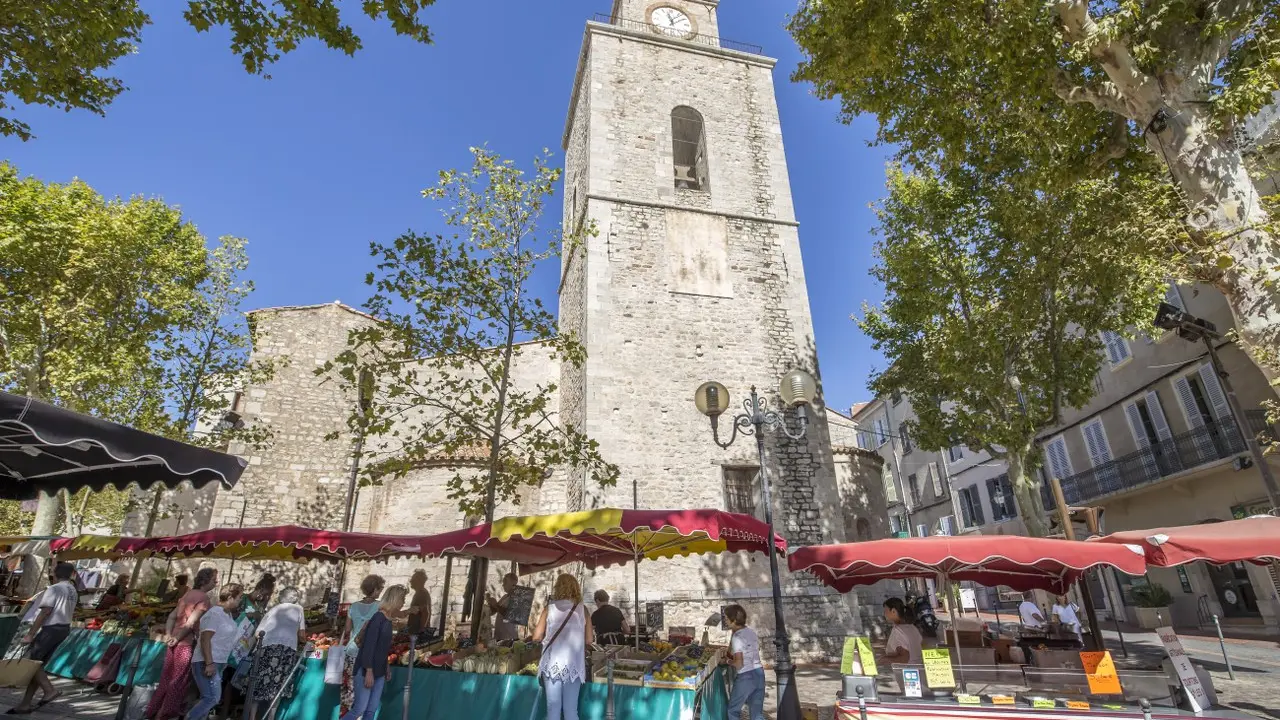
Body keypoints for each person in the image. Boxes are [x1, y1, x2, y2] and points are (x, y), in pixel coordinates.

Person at [146, 567, 217, 720]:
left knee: (166, 678)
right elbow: (191, 622)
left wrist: (169, 634)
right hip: (185, 643)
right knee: (178, 680)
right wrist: (177, 638)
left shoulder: (187, 594)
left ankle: (153, 710)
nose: (216, 583)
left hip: (174, 642)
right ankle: (165, 714)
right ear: (205, 581)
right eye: (214, 580)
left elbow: (172, 616)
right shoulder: (203, 598)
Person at [7, 563, 78, 714]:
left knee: (32, 662)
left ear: (54, 573)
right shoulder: (72, 589)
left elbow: (45, 611)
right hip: (63, 628)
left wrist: (30, 634)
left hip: (51, 628)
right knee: (37, 666)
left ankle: (49, 690)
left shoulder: (54, 589)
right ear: (72, 574)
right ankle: (25, 704)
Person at [531, 574, 593, 720]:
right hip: (574, 665)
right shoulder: (583, 610)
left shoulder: (549, 608)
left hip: (552, 663)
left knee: (553, 709)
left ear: (557, 588)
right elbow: (589, 639)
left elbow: (536, 636)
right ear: (576, 588)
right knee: (571, 710)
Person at [340, 585, 406, 720]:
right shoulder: (378, 618)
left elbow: (382, 647)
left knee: (371, 710)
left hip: (379, 670)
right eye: (402, 599)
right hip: (366, 669)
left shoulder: (388, 620)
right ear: (395, 599)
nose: (403, 602)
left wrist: (386, 666)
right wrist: (368, 670)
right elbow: (369, 646)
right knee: (359, 709)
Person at [236, 586, 307, 711]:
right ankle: (271, 716)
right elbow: (302, 635)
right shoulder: (298, 608)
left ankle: (252, 717)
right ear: (295, 599)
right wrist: (307, 643)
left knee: (258, 684)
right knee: (278, 685)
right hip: (286, 650)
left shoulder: (273, 609)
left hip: (265, 648)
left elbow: (258, 633)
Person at [188, 584, 243, 720]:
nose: (240, 601)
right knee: (212, 698)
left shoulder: (227, 615)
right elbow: (205, 639)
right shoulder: (214, 614)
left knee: (207, 698)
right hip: (207, 661)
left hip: (219, 661)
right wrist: (209, 663)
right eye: (239, 598)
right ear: (230, 597)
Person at [339, 575, 385, 716]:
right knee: (364, 701)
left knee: (350, 694)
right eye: (380, 588)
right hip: (367, 653)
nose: (381, 591)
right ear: (375, 589)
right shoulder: (379, 606)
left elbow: (347, 630)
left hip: (351, 652)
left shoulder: (353, 606)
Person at [722, 604, 765, 720]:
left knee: (733, 710)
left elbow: (739, 664)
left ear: (734, 620)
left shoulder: (738, 637)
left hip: (746, 676)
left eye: (726, 618)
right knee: (757, 714)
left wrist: (727, 661)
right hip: (759, 673)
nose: (725, 621)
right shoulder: (751, 632)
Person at [882, 598, 924, 665]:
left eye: (885, 611)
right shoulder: (912, 627)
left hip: (906, 672)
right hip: (918, 668)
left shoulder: (898, 631)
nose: (884, 614)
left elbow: (904, 658)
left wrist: (884, 660)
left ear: (893, 611)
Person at [485, 573, 520, 643]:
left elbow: (509, 614)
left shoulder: (517, 597)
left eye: (505, 582)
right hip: (500, 636)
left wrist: (495, 605)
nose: (503, 585)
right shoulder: (505, 597)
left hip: (509, 637)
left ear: (513, 584)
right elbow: (494, 610)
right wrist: (489, 601)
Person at [404, 570, 431, 636]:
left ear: (419, 581)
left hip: (417, 632)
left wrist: (421, 630)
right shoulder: (420, 593)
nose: (411, 581)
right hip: (415, 630)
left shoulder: (421, 593)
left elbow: (425, 612)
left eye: (413, 579)